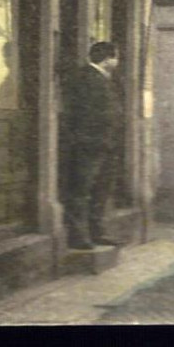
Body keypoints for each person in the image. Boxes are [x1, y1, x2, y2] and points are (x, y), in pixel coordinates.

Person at [61, 41, 124, 249]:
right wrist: (88, 139)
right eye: (116, 57)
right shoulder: (86, 77)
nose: (117, 61)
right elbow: (79, 114)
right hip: (89, 146)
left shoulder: (104, 79)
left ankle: (97, 231)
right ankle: (78, 236)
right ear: (108, 59)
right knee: (82, 190)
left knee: (101, 190)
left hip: (105, 145)